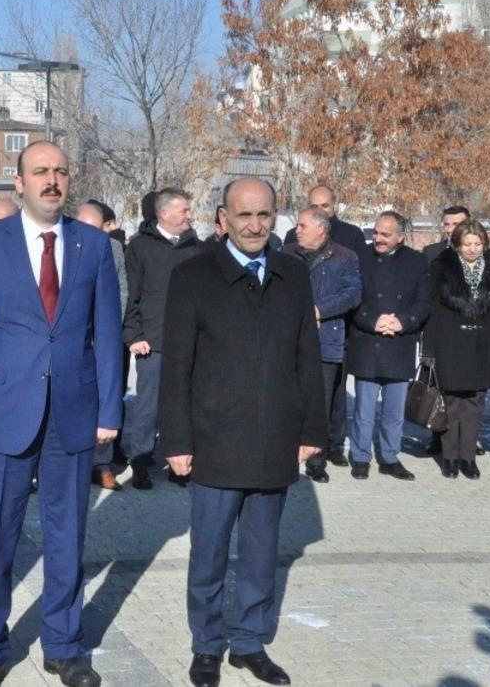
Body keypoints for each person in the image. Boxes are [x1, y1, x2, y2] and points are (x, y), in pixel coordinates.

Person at [0, 140, 122, 687]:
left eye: (60, 172)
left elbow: (109, 336)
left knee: (68, 535)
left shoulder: (93, 246)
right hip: (1, 412)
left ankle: (65, 646)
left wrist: (109, 410)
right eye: (40, 172)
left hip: (73, 410)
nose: (52, 181)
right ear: (17, 183)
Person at [161, 178, 327, 687]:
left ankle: (248, 642)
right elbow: (177, 367)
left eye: (264, 215)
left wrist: (312, 429)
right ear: (223, 218)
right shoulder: (193, 276)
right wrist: (177, 441)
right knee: (209, 553)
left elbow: (307, 356)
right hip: (213, 439)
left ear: (275, 217)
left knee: (260, 551)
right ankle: (207, 645)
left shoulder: (293, 274)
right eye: (244, 215)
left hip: (275, 437)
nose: (254, 225)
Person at [122, 187, 201, 489]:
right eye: (184, 210)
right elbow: (131, 295)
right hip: (152, 343)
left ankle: (177, 461)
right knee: (149, 407)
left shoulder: (196, 246)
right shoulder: (140, 247)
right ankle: (140, 460)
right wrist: (133, 335)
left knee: (182, 405)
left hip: (188, 341)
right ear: (164, 213)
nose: (189, 216)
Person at [346, 211, 433, 481]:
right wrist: (373, 320)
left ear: (401, 237)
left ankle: (389, 457)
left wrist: (402, 322)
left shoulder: (417, 262)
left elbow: (423, 302)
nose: (378, 238)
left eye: (385, 234)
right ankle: (360, 457)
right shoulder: (359, 257)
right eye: (376, 232)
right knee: (364, 408)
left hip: (399, 342)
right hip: (368, 340)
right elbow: (351, 296)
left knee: (394, 411)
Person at [421, 219, 490, 480]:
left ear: (484, 244)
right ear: (457, 245)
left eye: (477, 244)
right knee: (451, 403)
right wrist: (429, 350)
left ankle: (468, 457)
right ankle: (449, 457)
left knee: (475, 404)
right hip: (450, 343)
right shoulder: (440, 267)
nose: (471, 249)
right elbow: (432, 311)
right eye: (466, 244)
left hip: (484, 345)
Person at [282, 207, 362, 483]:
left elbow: (352, 294)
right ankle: (284, 457)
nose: (297, 230)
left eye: (302, 225)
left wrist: (319, 310)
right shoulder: (285, 254)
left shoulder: (344, 256)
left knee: (321, 404)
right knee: (288, 401)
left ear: (321, 228)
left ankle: (317, 461)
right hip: (288, 341)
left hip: (327, 341)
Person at [77, 201, 128, 491]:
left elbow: (121, 291)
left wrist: (106, 328)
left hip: (105, 338)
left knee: (107, 399)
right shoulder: (63, 248)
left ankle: (101, 463)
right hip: (73, 339)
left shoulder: (114, 250)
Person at [281, 184, 367, 255]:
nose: (320, 210)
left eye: (325, 206)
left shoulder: (353, 235)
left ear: (334, 205)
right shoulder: (294, 236)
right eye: (314, 206)